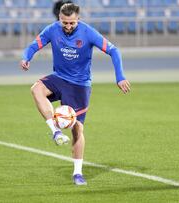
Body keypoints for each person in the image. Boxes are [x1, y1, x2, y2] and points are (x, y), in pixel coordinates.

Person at [20, 3, 130, 186]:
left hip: (80, 85)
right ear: (59, 19)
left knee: (77, 129)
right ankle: (55, 131)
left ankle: (77, 173)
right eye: (65, 23)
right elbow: (33, 45)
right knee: (36, 89)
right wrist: (26, 58)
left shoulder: (88, 32)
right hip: (59, 77)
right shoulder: (52, 30)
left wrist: (120, 77)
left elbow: (113, 50)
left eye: (72, 23)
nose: (68, 27)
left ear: (78, 19)